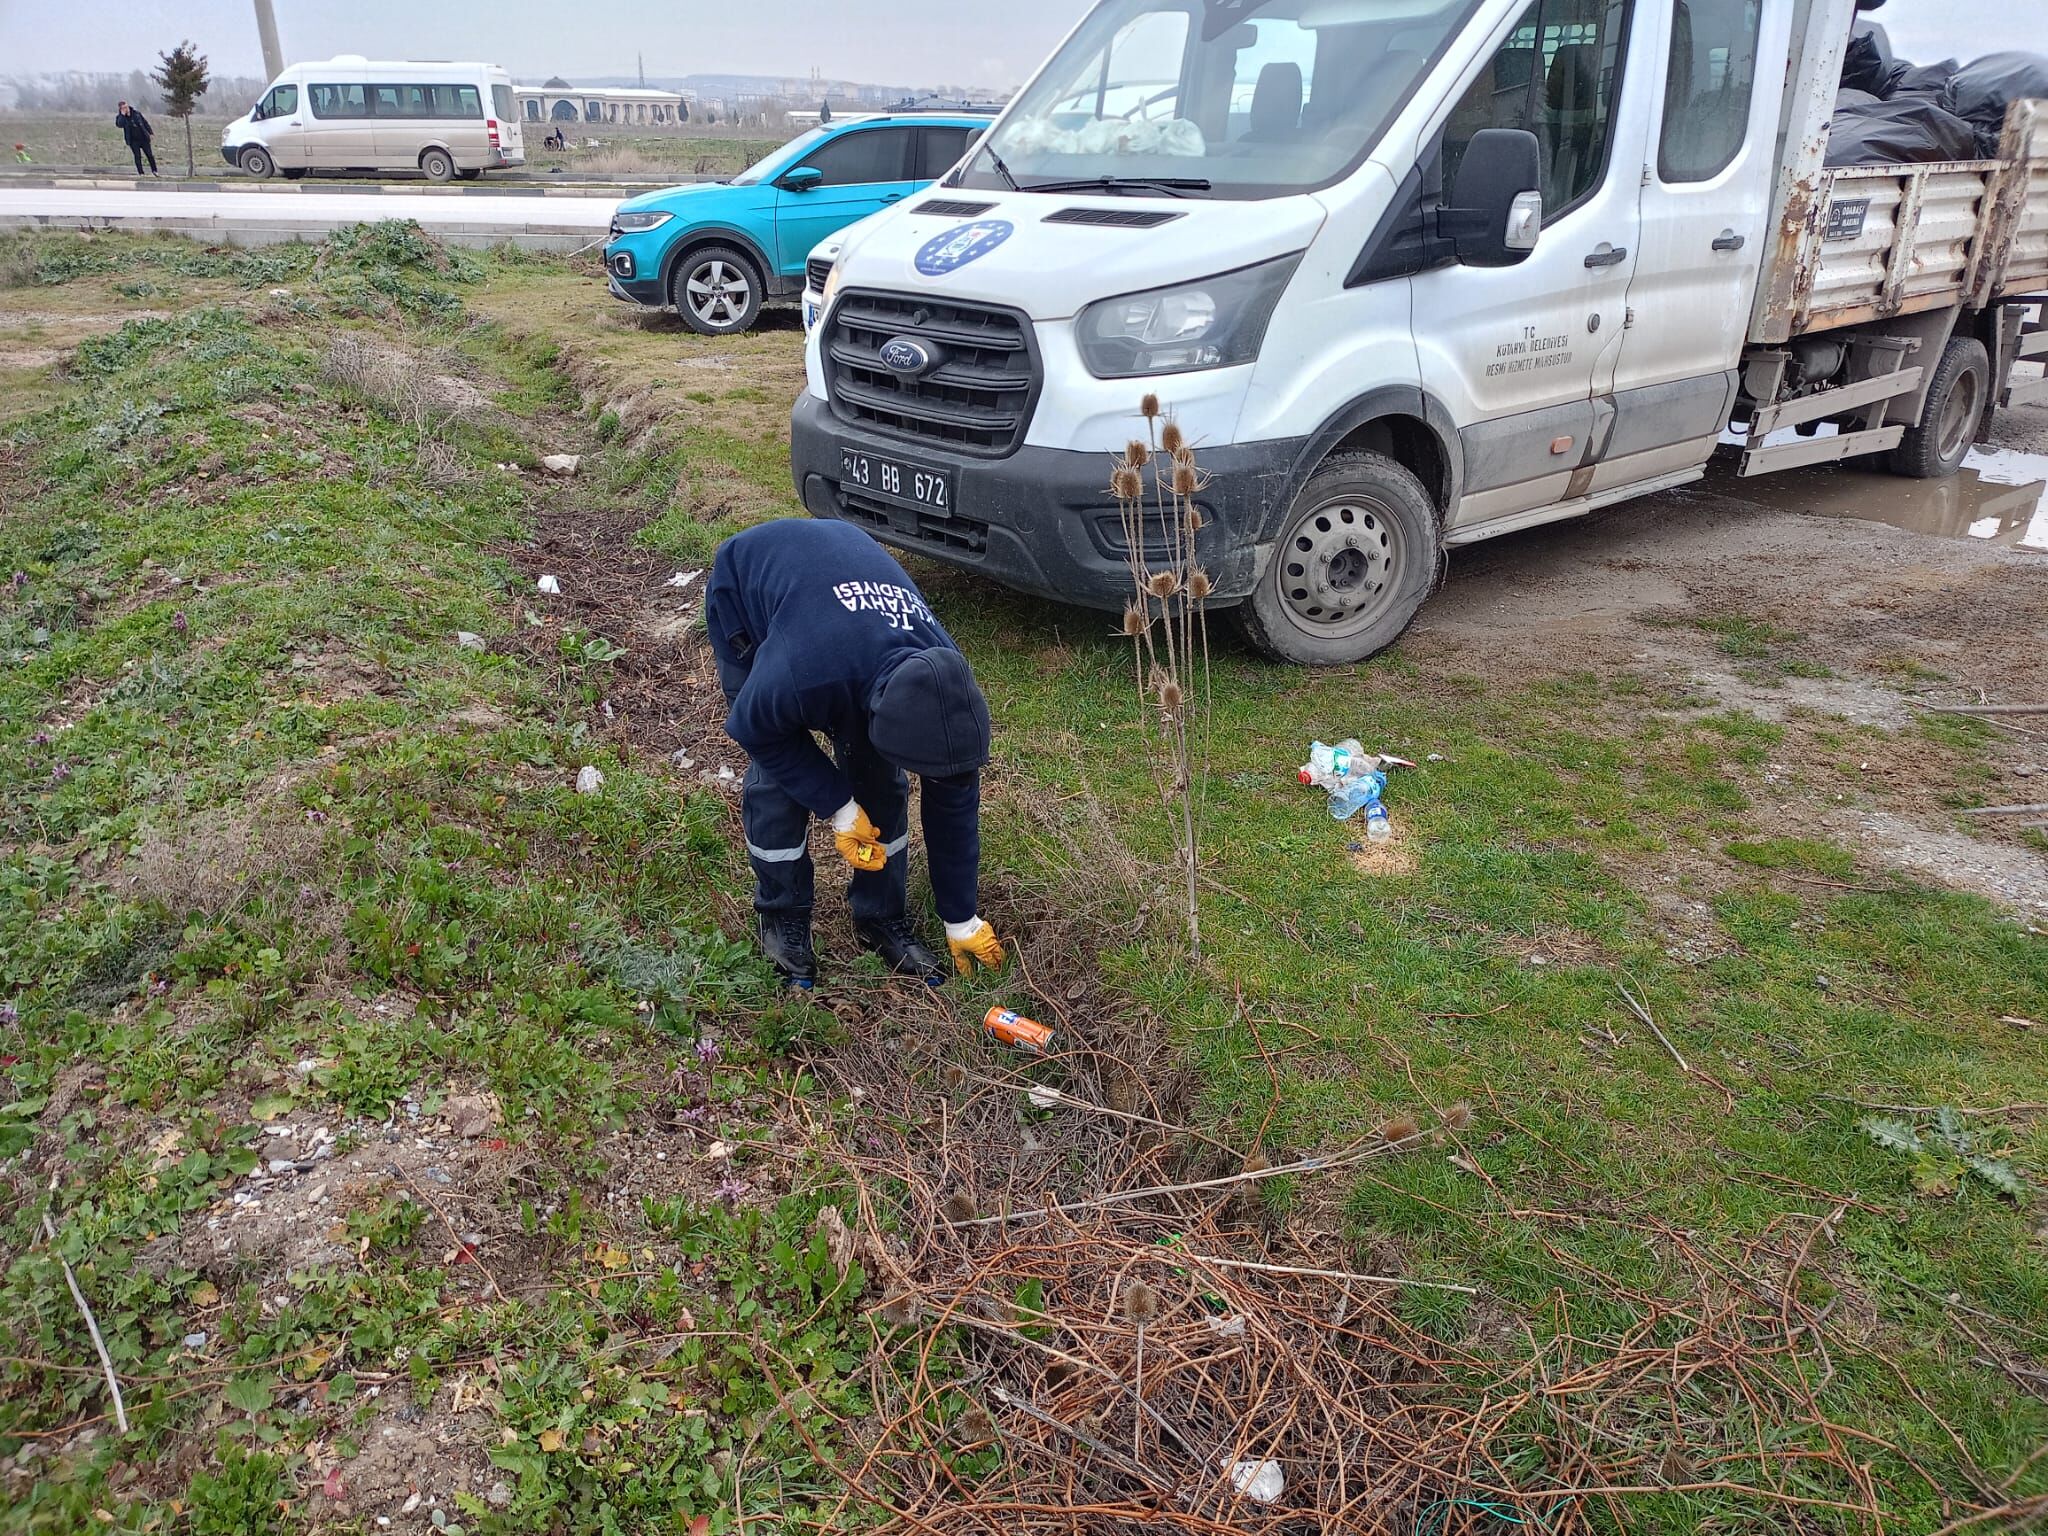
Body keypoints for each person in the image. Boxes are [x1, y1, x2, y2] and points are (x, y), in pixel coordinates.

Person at [705, 519, 1008, 988]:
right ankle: (782, 916)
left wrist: (961, 917)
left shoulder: (944, 674)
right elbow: (755, 730)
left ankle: (880, 916)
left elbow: (954, 802)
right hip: (749, 589)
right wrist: (840, 808)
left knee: (879, 780)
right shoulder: (804, 671)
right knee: (780, 782)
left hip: (843, 614)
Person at [115, 102, 158, 176]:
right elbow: (119, 125)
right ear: (121, 109)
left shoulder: (136, 114)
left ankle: (155, 171)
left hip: (143, 138)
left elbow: (145, 123)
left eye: (127, 107)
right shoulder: (120, 117)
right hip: (133, 140)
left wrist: (150, 133)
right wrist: (122, 115)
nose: (126, 109)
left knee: (149, 155)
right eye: (124, 108)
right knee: (137, 156)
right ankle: (141, 173)